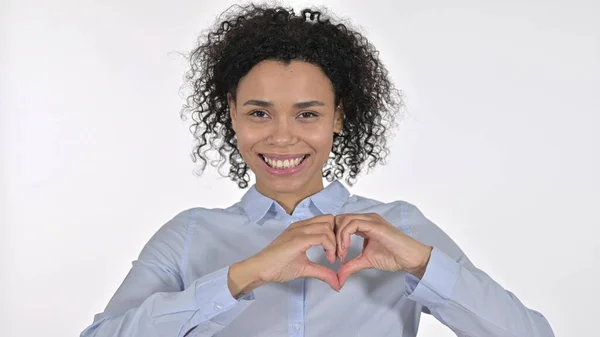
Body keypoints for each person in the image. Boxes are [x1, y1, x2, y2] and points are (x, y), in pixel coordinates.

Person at [80, 4, 555, 337]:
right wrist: (241, 276)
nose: (282, 137)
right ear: (231, 112)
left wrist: (421, 263)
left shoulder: (398, 227)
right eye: (259, 113)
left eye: (307, 114)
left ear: (339, 116)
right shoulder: (188, 235)